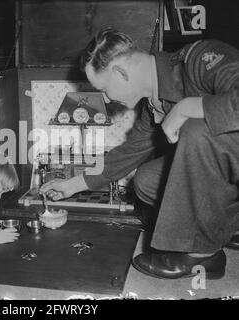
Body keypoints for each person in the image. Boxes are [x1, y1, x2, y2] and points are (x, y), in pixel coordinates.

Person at [40, 28, 239, 279]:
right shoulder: (154, 102)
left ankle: (201, 256)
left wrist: (187, 107)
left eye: (103, 89)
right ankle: (226, 228)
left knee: (197, 129)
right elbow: (128, 153)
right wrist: (73, 184)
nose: (107, 99)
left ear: (120, 73)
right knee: (147, 180)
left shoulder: (200, 58)